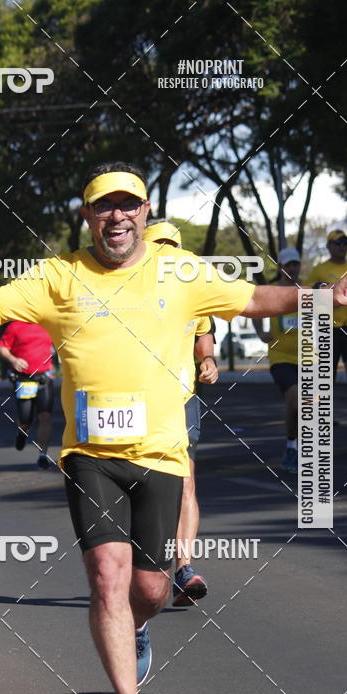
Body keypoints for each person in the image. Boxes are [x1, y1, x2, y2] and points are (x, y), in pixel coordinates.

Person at [0, 162, 347, 694]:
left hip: (161, 454)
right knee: (107, 577)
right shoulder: (60, 276)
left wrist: (321, 294)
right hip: (90, 456)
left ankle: (140, 627)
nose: (116, 216)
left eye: (127, 205)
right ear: (87, 216)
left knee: (151, 589)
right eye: (103, 206)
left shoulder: (181, 271)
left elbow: (254, 299)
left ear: (143, 213)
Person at [143, 219, 217, 606]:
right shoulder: (128, 291)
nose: (167, 254)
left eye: (173, 246)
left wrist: (208, 360)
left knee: (186, 481)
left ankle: (184, 569)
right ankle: (142, 568)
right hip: (134, 401)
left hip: (181, 399)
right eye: (160, 246)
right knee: (141, 486)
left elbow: (203, 334)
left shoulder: (192, 294)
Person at [304, 230, 347, 440]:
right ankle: (322, 421)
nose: (342, 246)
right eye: (337, 243)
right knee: (324, 379)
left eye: (345, 243)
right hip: (327, 329)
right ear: (328, 246)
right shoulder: (319, 270)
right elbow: (306, 293)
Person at [254, 247, 301, 473]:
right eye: (288, 264)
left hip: (309, 358)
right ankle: (293, 447)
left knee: (305, 406)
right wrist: (261, 332)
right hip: (281, 356)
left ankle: (296, 447)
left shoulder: (307, 289)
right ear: (281, 267)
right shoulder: (271, 291)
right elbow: (253, 309)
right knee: (295, 401)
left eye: (295, 264)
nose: (292, 268)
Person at [0, 321, 55, 470]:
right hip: (24, 379)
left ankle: (43, 455)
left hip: (44, 377)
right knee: (25, 419)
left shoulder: (48, 322)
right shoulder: (15, 326)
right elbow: (2, 347)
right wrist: (13, 360)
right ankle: (22, 433)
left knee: (45, 416)